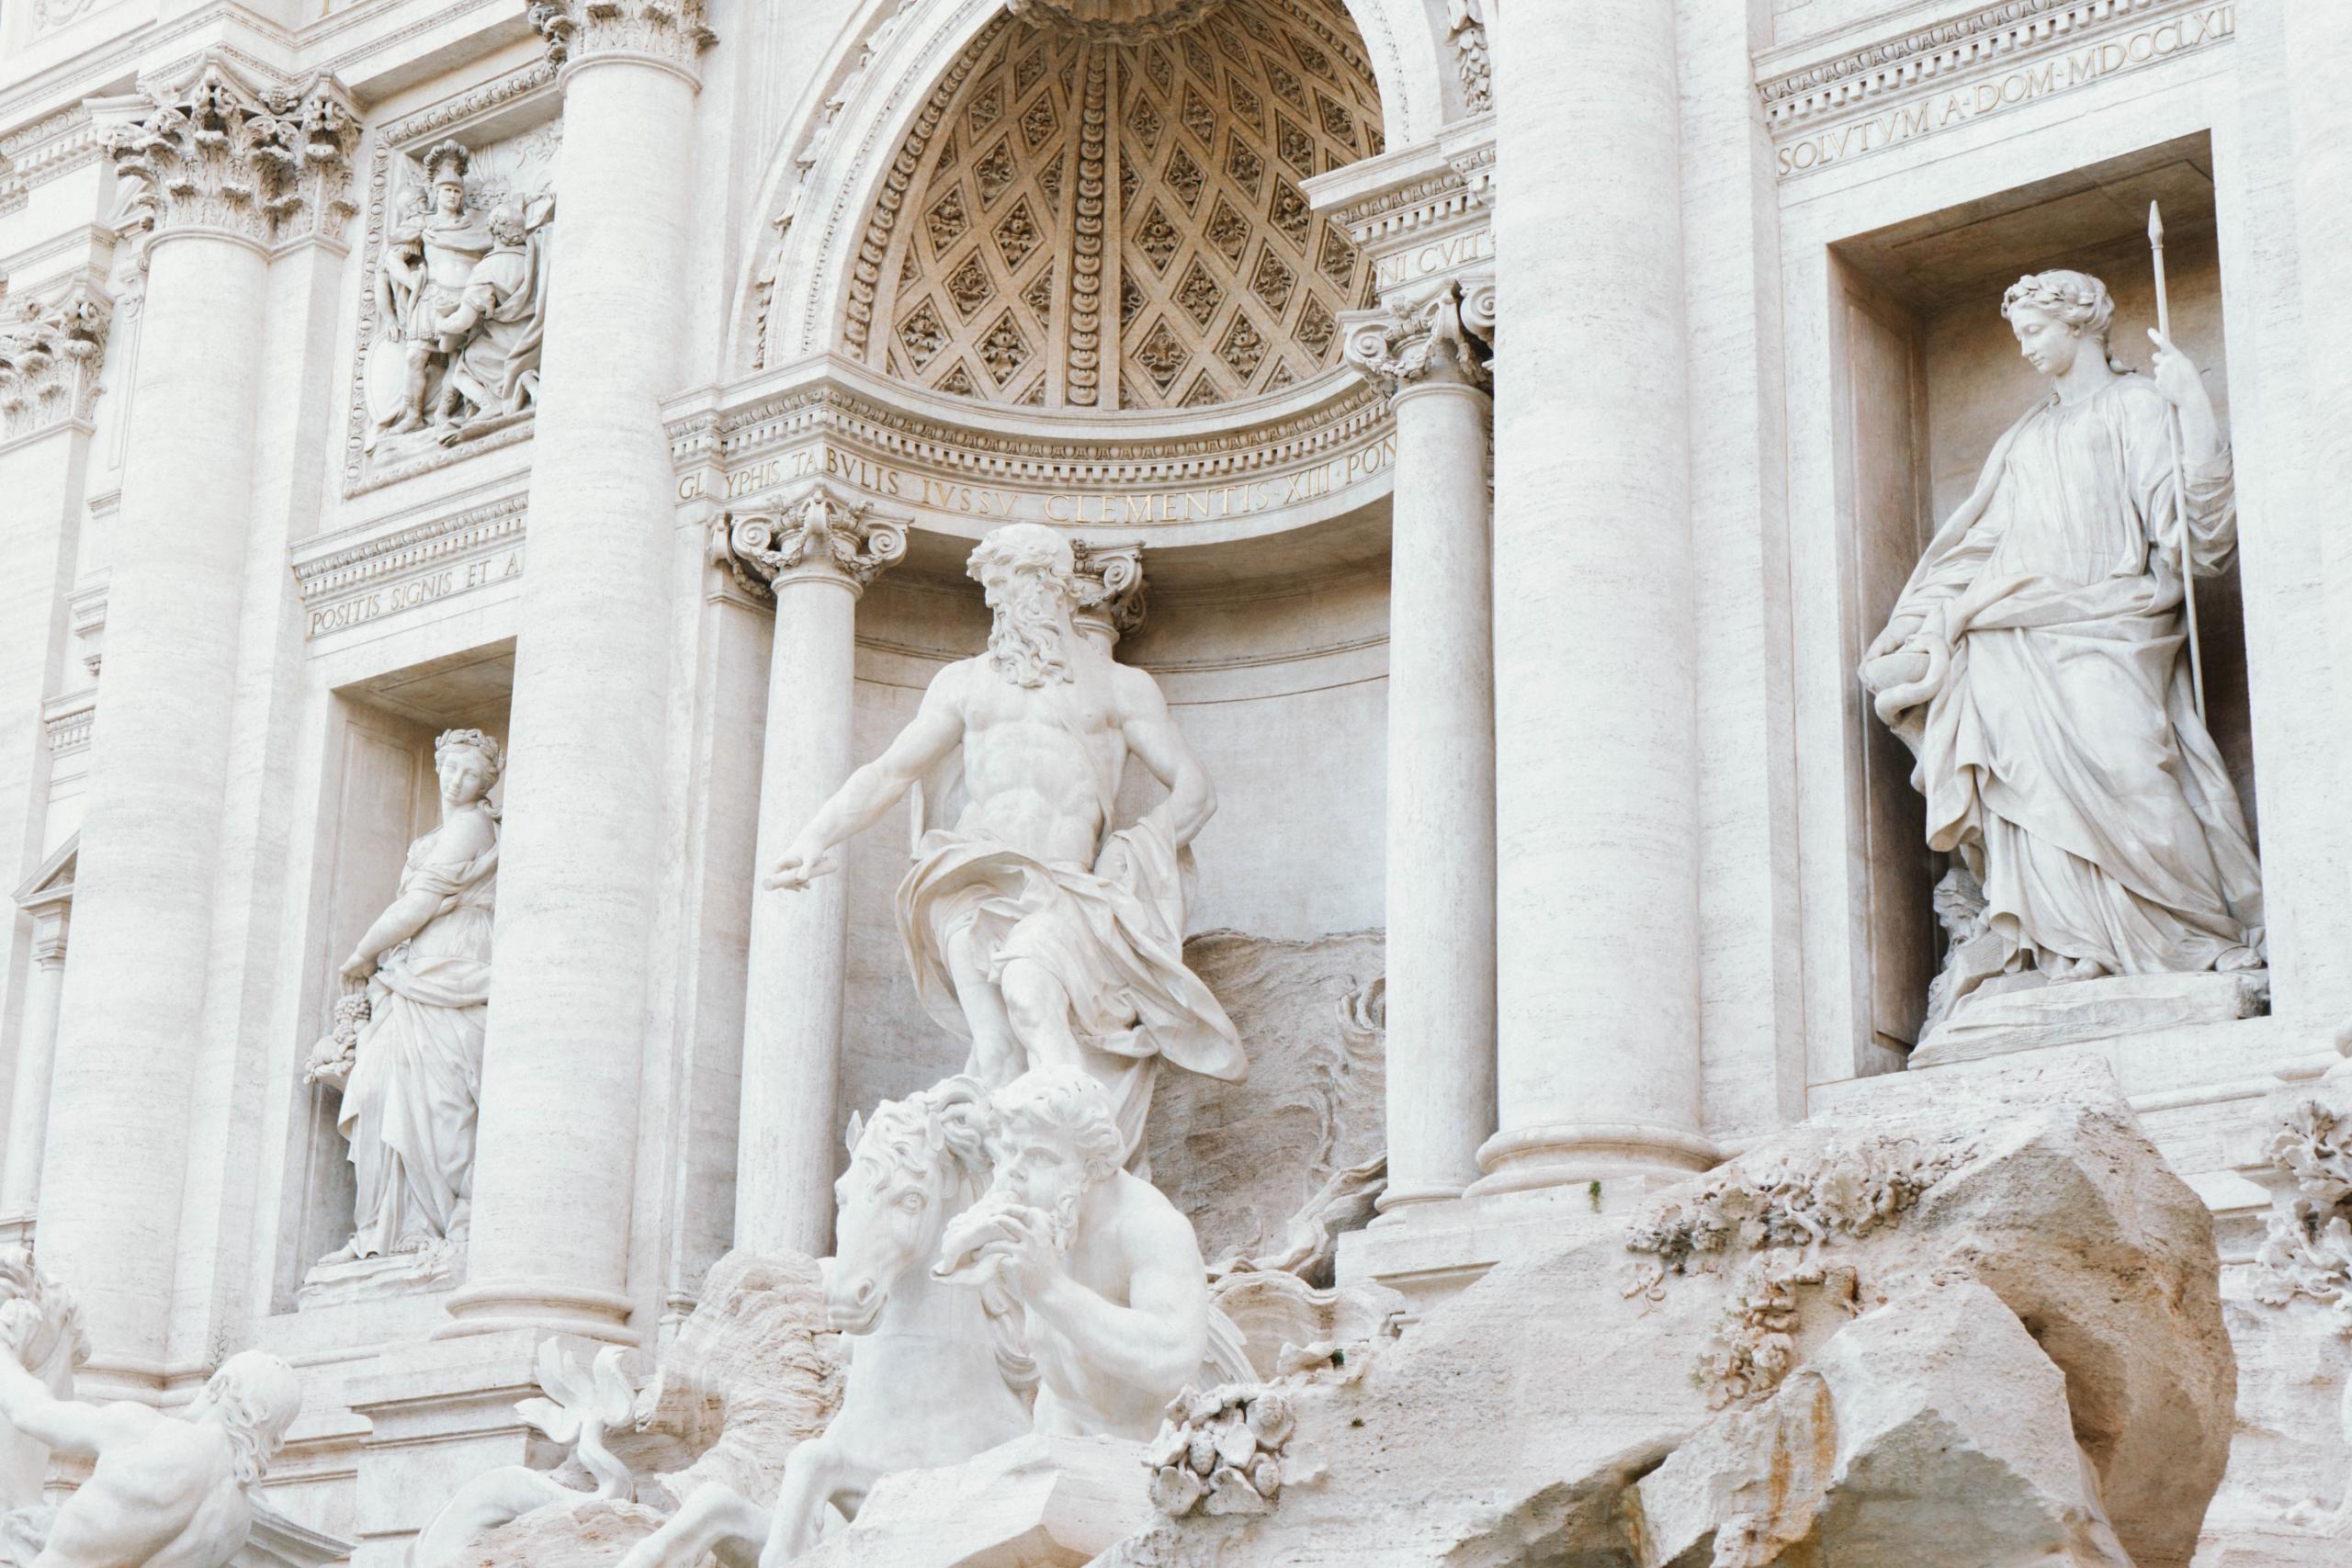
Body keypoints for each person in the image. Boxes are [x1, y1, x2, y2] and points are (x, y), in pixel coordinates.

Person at [765, 523, 1244, 1158]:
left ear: (1057, 591)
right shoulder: (963, 683)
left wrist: (1132, 858)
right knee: (992, 1051)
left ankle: (1085, 1175)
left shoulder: (1118, 687)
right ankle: (999, 1201)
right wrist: (814, 836)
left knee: (1030, 995)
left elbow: (1195, 788)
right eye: (995, 592)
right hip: (969, 877)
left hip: (1060, 887)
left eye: (1019, 588)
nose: (1004, 607)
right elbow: (890, 771)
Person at [1860, 269, 2262, 1016]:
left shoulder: (2137, 407)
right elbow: (1976, 550)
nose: (2023, 346)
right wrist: (1919, 631)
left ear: (2079, 325)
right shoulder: (2026, 437)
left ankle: (2197, 935)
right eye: (2016, 334)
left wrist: (2194, 409)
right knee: (2028, 791)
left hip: (2112, 623)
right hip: (2013, 638)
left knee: (2134, 767)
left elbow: (2196, 540)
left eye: (2035, 330)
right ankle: (2069, 943)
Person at [933, 1067, 1209, 1439]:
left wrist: (1048, 1288)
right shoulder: (1049, 1220)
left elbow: (1172, 1360)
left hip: (1147, 1452)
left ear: (1092, 1167)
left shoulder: (1148, 1227)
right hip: (1058, 1427)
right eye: (1010, 1152)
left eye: (1039, 1158)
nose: (1013, 1174)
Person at [310, 728, 501, 1262]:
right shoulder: (433, 836)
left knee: (441, 1101)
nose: (459, 780)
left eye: (473, 774)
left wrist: (362, 953)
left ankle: (429, 1223)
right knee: (375, 1089)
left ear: (487, 784)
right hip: (411, 972)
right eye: (452, 768)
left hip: (456, 963)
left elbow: (418, 905)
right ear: (438, 766)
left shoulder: (474, 826)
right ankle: (381, 1227)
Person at [0, 1314, 300, 1568]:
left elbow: (32, 1413)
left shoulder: (147, 1432)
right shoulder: (237, 1519)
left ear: (220, 1386)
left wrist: (6, 1349)